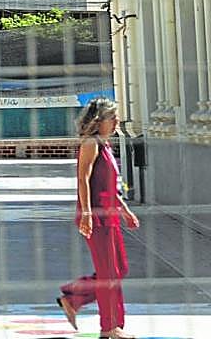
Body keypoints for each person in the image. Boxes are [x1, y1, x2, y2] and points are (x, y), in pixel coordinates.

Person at [57, 97, 140, 339]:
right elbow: (83, 179)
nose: (116, 122)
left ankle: (73, 298)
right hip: (96, 217)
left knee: (118, 269)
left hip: (110, 215)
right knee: (108, 273)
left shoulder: (105, 146)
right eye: (111, 117)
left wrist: (126, 211)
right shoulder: (91, 144)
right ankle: (109, 328)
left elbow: (110, 187)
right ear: (98, 120)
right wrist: (86, 213)